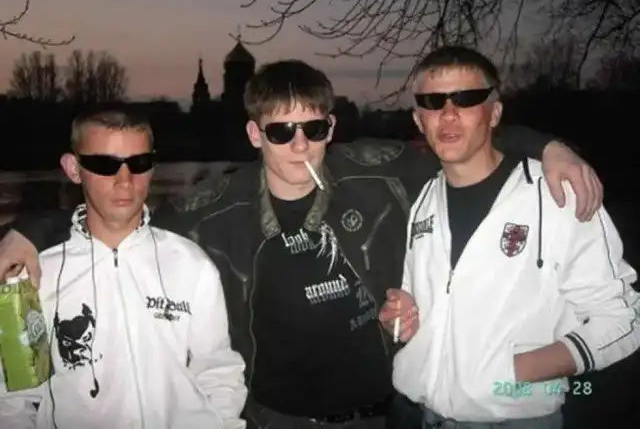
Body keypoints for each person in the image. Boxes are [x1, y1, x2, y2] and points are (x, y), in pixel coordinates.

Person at [0, 60, 603, 429]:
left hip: (384, 416)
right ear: (254, 133)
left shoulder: (380, 175)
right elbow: (123, 214)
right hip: (273, 419)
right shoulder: (214, 210)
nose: (298, 145)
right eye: (281, 130)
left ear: (330, 128)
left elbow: (464, 141)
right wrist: (36, 228)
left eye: (312, 128)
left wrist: (548, 146)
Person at [380, 46, 640, 429]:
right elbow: (436, 305)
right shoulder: (423, 200)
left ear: (495, 113)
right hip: (419, 415)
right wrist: (408, 316)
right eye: (433, 102)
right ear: (419, 120)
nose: (448, 114)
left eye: (466, 99)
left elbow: (623, 320)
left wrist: (513, 372)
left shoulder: (556, 195)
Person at [0, 107, 247, 429]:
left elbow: (218, 370)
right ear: (74, 169)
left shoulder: (191, 262)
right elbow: (14, 396)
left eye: (139, 163)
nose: (125, 181)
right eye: (105, 165)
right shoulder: (31, 274)